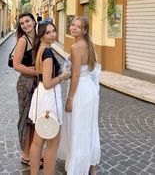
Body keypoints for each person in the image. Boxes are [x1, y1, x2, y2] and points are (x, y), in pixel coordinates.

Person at [58, 16, 101, 175]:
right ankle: (91, 166)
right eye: (72, 25)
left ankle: (77, 166)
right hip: (90, 90)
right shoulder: (90, 45)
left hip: (80, 92)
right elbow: (94, 70)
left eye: (78, 26)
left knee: (77, 127)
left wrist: (69, 99)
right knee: (90, 127)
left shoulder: (76, 47)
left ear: (84, 30)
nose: (73, 28)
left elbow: (75, 76)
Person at [28, 20, 71, 175]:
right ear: (41, 35)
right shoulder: (47, 53)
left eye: (53, 31)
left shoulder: (40, 48)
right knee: (52, 144)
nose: (53, 34)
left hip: (41, 96)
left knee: (37, 141)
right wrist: (64, 76)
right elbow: (47, 83)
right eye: (48, 32)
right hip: (49, 98)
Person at [13, 12, 38, 166]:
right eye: (22, 23)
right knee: (25, 119)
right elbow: (16, 65)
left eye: (27, 21)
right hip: (25, 84)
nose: (25, 25)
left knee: (35, 118)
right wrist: (36, 71)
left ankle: (33, 151)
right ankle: (25, 154)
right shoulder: (23, 41)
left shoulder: (39, 37)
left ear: (34, 21)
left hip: (37, 84)